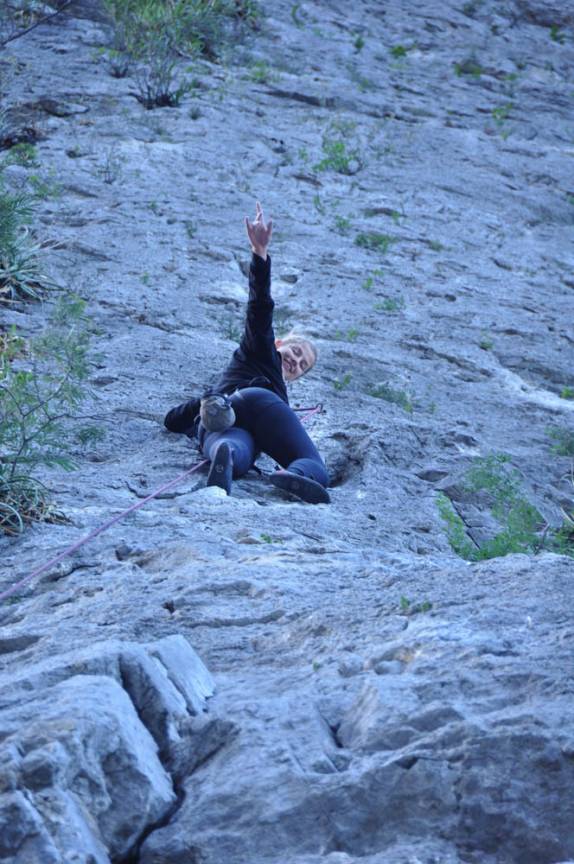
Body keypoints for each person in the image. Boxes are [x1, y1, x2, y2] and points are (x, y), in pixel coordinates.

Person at [163, 201, 330, 504]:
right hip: (261, 402)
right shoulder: (260, 348)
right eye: (295, 351)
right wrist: (260, 254)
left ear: (298, 376)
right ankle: (299, 473)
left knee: (234, 446)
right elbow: (259, 309)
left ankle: (224, 461)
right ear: (278, 343)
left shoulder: (258, 375)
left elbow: (172, 421)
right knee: (313, 463)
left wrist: (205, 403)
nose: (295, 360)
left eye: (301, 364)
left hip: (230, 411)